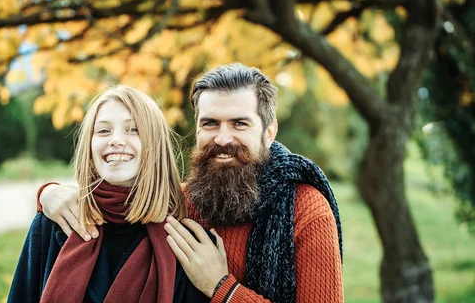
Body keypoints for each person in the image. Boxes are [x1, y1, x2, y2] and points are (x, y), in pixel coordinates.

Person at [37, 63, 344, 302]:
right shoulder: (182, 203)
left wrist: (222, 288)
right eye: (210, 123)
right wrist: (49, 194)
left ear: (269, 131)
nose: (223, 138)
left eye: (239, 123)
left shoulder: (304, 211)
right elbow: (123, 199)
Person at [8, 85, 211, 303]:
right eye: (103, 130)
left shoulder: (186, 241)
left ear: (155, 144)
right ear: (90, 145)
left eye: (133, 129)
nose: (115, 140)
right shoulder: (54, 222)